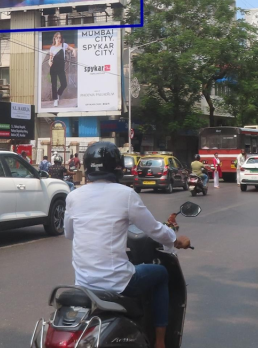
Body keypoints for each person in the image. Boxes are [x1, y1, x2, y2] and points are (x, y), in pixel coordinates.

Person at [64, 142, 191, 348]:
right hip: (117, 282)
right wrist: (175, 240)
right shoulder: (125, 194)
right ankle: (160, 342)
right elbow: (154, 230)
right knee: (161, 274)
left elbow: (69, 233)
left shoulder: (73, 196)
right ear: (117, 166)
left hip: (84, 283)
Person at [48, 31, 77, 108]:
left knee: (64, 84)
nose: (58, 39)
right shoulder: (52, 48)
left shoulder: (64, 45)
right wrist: (50, 62)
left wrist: (74, 51)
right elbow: (50, 58)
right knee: (54, 84)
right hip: (53, 67)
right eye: (57, 37)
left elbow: (72, 48)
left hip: (61, 66)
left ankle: (57, 94)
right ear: (55, 38)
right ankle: (55, 100)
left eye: (60, 37)